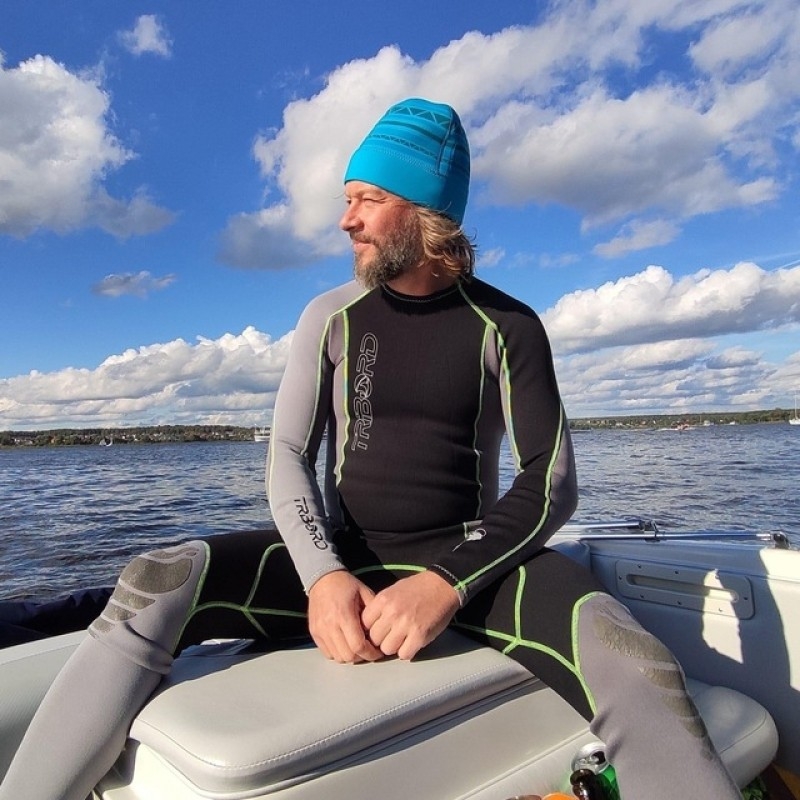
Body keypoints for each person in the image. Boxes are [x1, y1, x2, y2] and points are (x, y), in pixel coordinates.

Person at [0, 98, 740, 800]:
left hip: (471, 566)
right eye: (347, 198)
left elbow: (551, 480)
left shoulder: (506, 325)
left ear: (425, 213)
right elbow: (288, 453)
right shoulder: (331, 316)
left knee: (631, 654)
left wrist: (444, 584)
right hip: (344, 556)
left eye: (367, 199)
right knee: (156, 578)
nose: (345, 219)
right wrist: (323, 576)